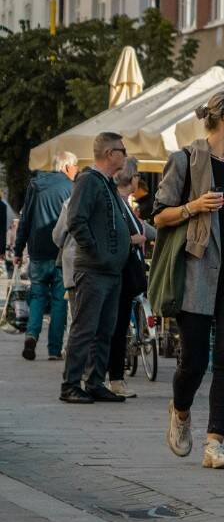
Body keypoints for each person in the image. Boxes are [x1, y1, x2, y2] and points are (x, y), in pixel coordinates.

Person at [154, 90, 224, 470]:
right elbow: (159, 216)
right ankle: (181, 410)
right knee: (194, 361)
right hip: (198, 273)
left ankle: (215, 442)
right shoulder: (185, 160)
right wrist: (193, 206)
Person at [59, 134, 139, 404]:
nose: (125, 155)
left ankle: (94, 382)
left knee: (105, 329)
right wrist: (96, 251)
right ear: (108, 153)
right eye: (122, 150)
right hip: (94, 270)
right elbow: (76, 220)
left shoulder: (106, 184)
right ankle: (70, 385)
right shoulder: (88, 181)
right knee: (85, 328)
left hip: (110, 271)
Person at [13, 151, 77, 361]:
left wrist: (17, 250)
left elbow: (26, 219)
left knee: (38, 296)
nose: (76, 171)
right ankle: (54, 350)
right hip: (61, 252)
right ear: (67, 167)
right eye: (75, 166)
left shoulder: (36, 185)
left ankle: (31, 335)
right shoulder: (71, 188)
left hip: (38, 252)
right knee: (59, 300)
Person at [105, 157, 154, 399]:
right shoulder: (118, 202)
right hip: (121, 273)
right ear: (131, 178)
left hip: (120, 273)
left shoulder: (122, 202)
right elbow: (129, 233)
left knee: (117, 325)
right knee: (117, 326)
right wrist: (138, 237)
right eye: (137, 177)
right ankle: (114, 378)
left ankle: (111, 376)